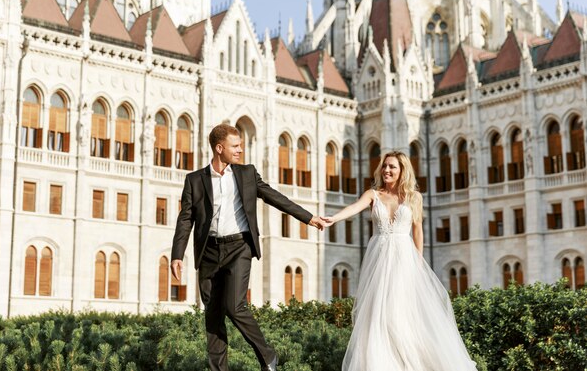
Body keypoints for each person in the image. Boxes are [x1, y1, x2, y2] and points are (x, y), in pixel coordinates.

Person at [171, 123, 324, 371]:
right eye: (236, 146)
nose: (241, 150)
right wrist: (177, 255)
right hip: (208, 251)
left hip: (239, 247)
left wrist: (308, 217)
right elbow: (186, 218)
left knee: (235, 305)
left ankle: (268, 356)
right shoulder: (195, 180)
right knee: (213, 316)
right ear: (219, 148)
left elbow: (275, 197)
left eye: (241, 145)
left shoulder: (247, 174)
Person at [320, 151, 477, 371]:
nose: (386, 170)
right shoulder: (373, 195)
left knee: (401, 313)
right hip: (379, 259)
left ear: (402, 170)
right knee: (378, 313)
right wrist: (333, 219)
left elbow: (418, 231)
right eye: (384, 166)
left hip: (404, 259)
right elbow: (354, 207)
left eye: (392, 167)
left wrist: (418, 266)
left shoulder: (414, 197)